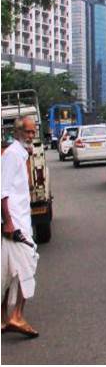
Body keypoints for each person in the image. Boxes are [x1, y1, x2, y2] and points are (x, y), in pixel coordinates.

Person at [1, 116, 40, 338]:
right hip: (14, 224)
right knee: (28, 264)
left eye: (34, 132)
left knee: (9, 272)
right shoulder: (12, 155)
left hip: (19, 221)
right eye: (28, 132)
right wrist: (8, 222)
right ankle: (16, 315)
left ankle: (5, 319)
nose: (31, 136)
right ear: (17, 133)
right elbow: (2, 191)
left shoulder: (20, 154)